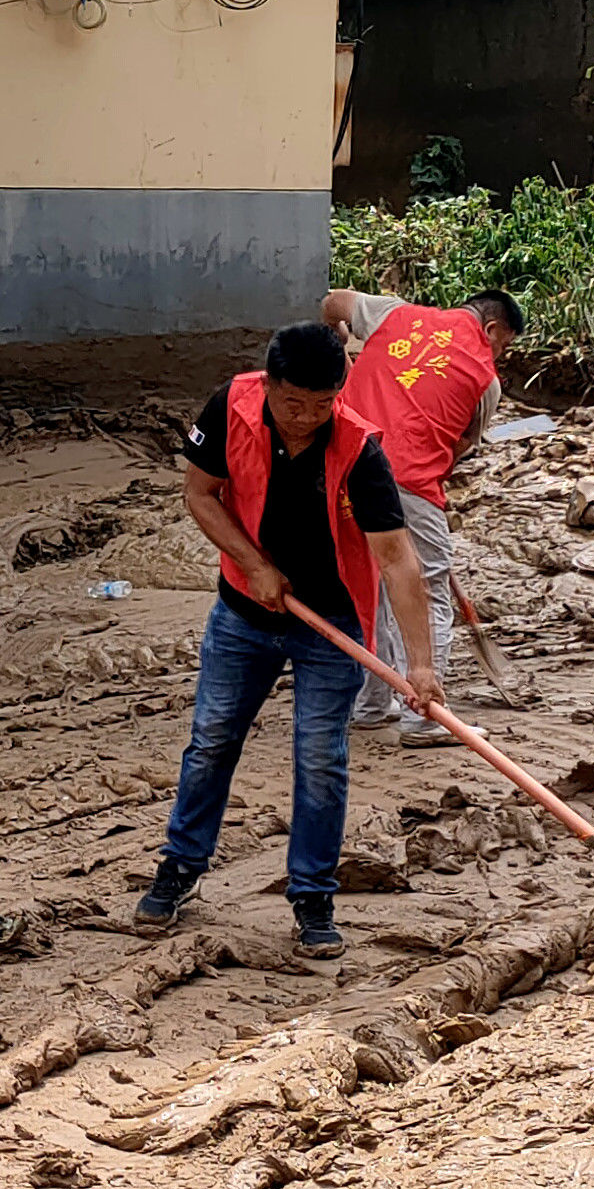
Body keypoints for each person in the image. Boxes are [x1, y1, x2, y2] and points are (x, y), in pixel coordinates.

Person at [137, 320, 444, 957]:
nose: (305, 418)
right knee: (212, 739)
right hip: (243, 615)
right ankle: (180, 867)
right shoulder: (230, 405)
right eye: (292, 403)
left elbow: (398, 561)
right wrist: (254, 566)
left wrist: (420, 667)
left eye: (321, 404)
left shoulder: (360, 450)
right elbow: (199, 493)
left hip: (329, 625)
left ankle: (312, 896)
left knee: (320, 758)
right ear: (269, 385)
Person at [319, 281, 521, 747]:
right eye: (504, 345)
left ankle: (370, 706)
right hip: (409, 478)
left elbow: (333, 301)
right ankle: (426, 719)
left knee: (369, 588)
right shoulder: (485, 380)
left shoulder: (395, 314)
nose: (500, 356)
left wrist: (339, 342)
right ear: (491, 329)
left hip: (343, 468)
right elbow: (459, 448)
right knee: (427, 589)